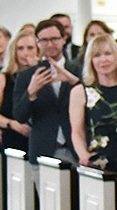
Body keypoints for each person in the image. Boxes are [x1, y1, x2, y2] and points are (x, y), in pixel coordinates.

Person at [12, 18, 83, 162]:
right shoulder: (26, 75)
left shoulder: (79, 70)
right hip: (43, 149)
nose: (50, 44)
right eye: (44, 40)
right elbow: (19, 116)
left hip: (77, 148)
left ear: (64, 39)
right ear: (38, 43)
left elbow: (92, 102)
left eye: (54, 39)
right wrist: (31, 92)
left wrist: (74, 82)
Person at [70, 33, 117, 173]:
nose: (103, 60)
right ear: (90, 60)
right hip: (98, 166)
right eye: (97, 56)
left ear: (116, 56)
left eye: (108, 54)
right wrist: (84, 157)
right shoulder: (80, 91)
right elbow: (77, 132)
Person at [0, 29, 37, 151]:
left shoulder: (41, 77)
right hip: (13, 138)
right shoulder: (3, 79)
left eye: (30, 48)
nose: (25, 53)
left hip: (38, 138)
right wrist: (12, 124)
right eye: (20, 48)